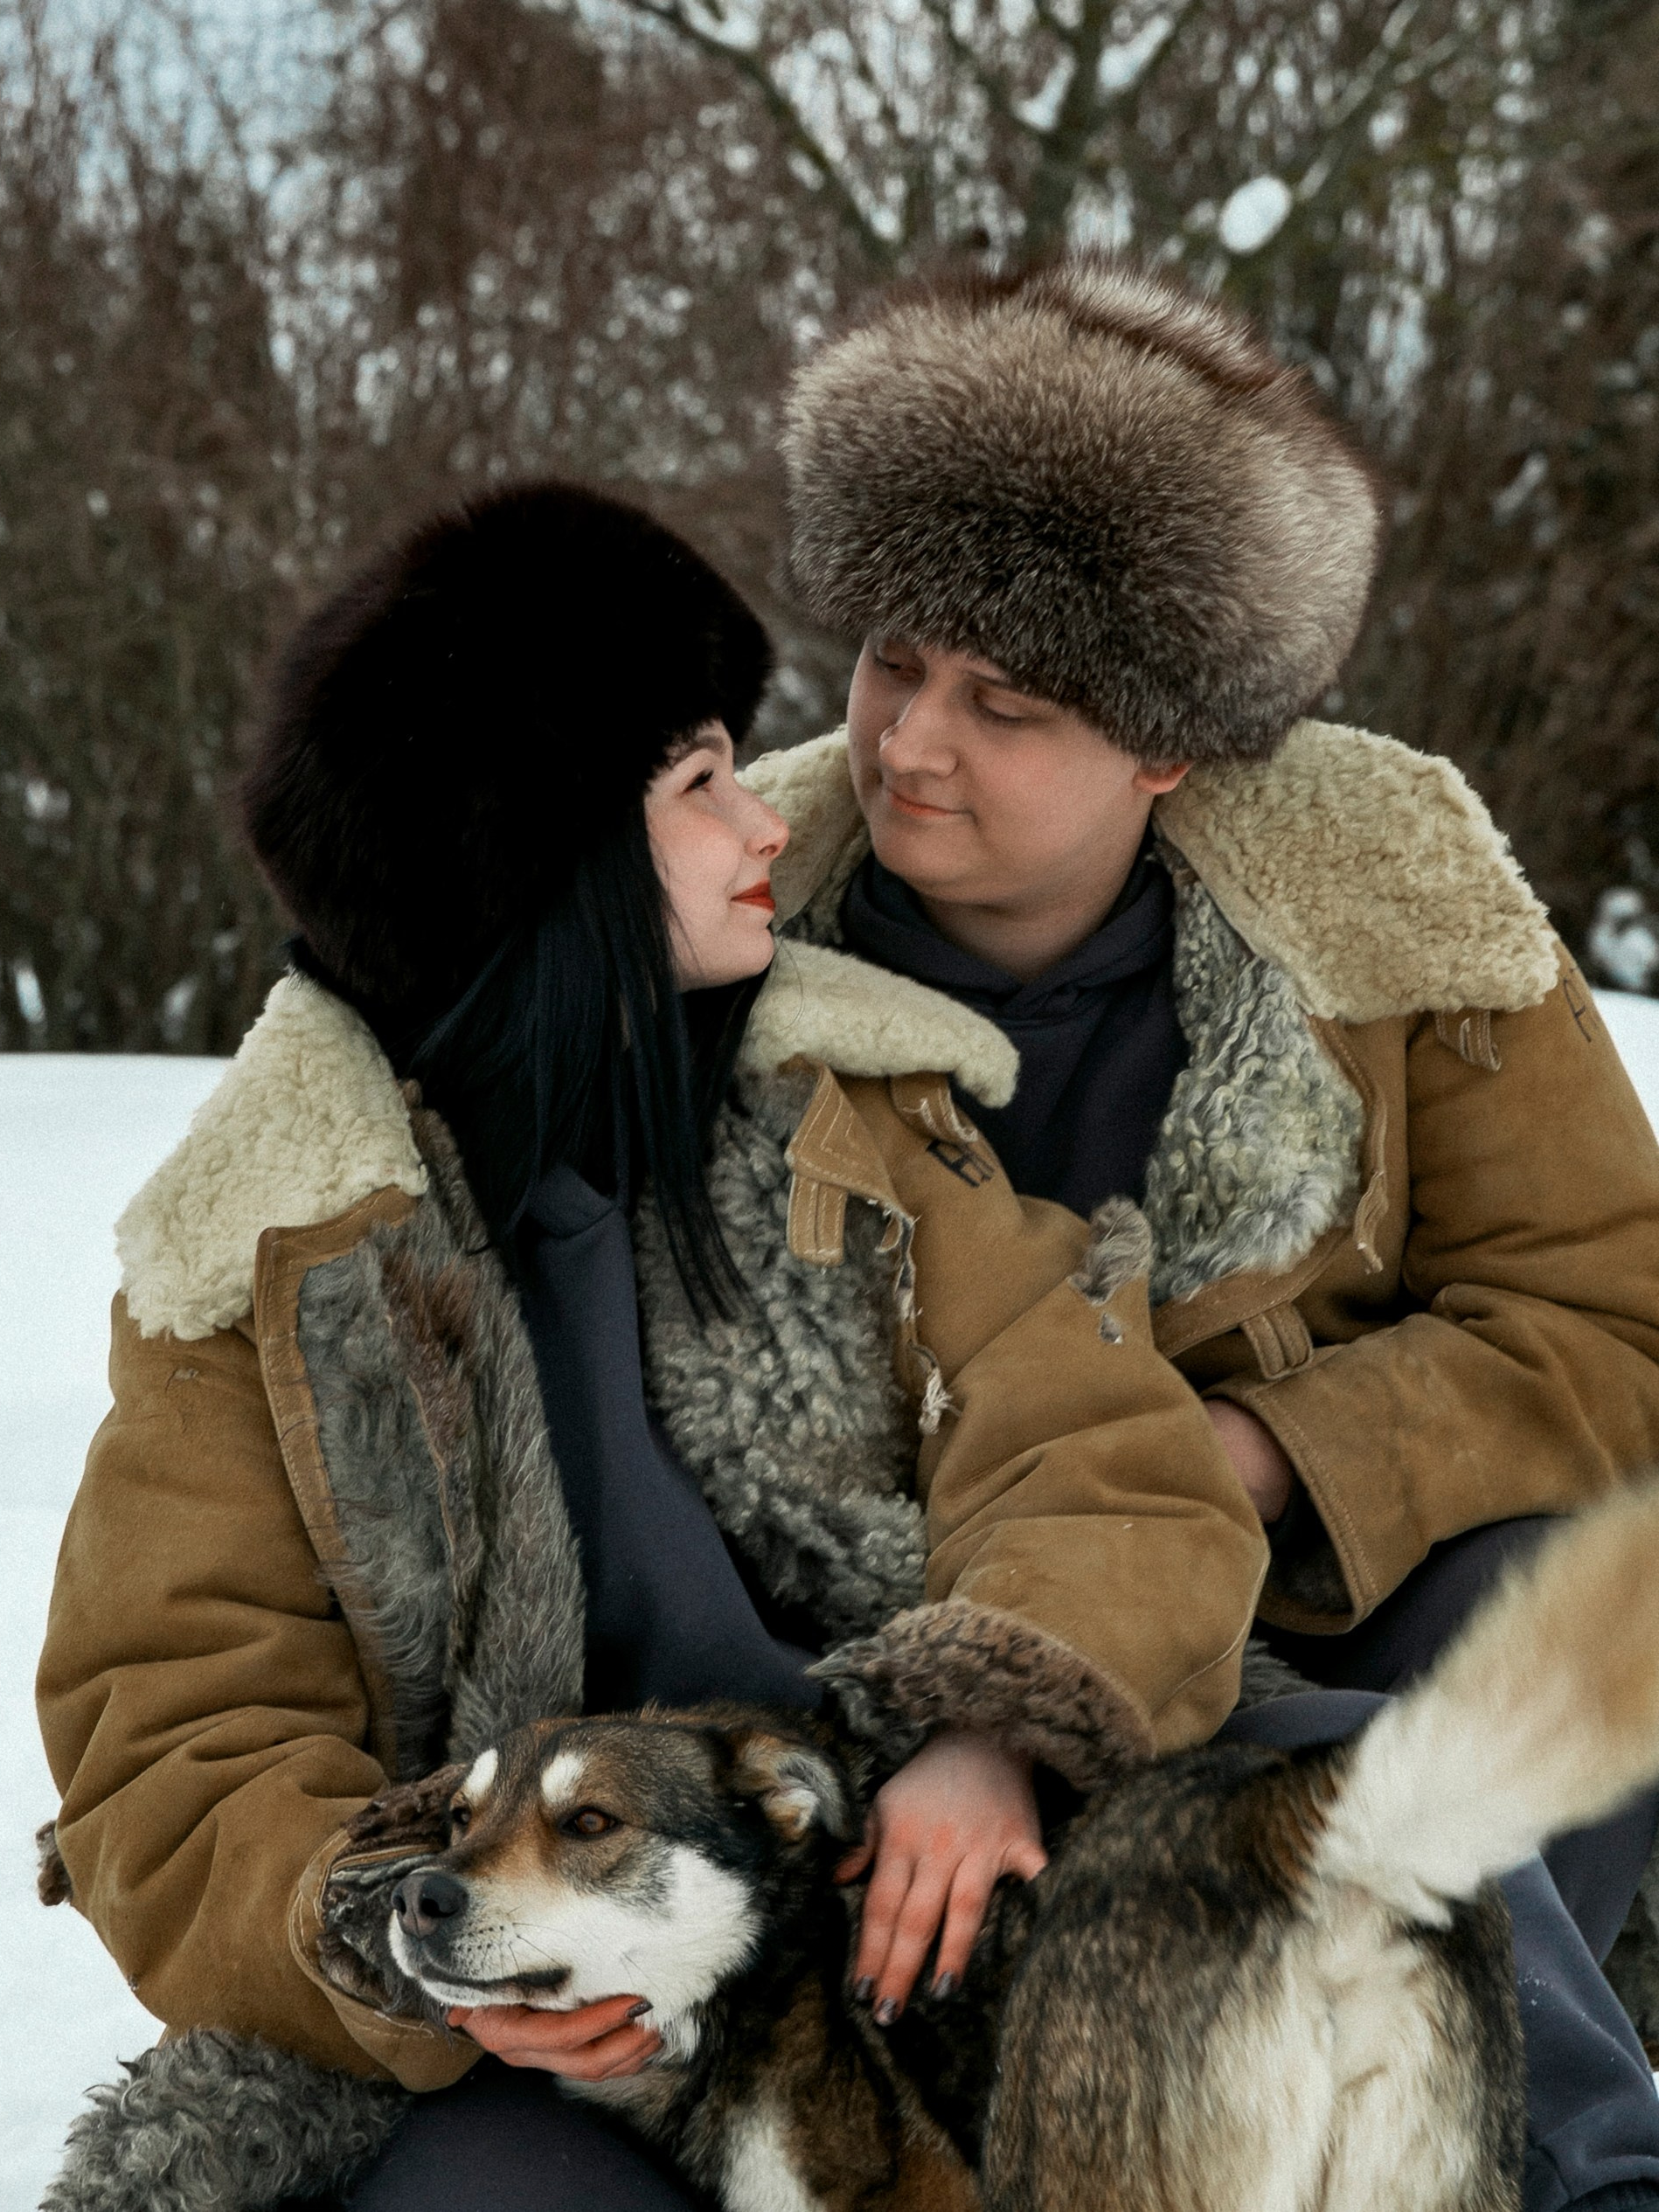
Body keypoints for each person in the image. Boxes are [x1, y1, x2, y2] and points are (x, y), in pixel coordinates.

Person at [37, 480, 1253, 2212]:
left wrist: (997, 1721)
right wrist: (419, 1925)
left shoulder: (859, 1125)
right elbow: (171, 1737)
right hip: (538, 2015)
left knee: (1384, 1876)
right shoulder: (266, 1259)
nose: (761, 817)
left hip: (899, 1892)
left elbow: (1098, 1454)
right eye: (694, 786)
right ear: (559, 861)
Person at [736, 255, 1659, 2212]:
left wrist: (1250, 1455)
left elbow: (1605, 1321)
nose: (909, 743)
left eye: (1007, 704)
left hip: (1315, 1592)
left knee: (1571, 1589)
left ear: (1169, 745)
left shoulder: (1391, 910)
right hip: (901, 1642)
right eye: (892, 661)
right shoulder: (732, 931)